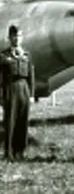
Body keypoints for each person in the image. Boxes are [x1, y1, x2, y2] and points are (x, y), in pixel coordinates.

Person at [0, 25, 35, 161]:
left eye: (19, 36)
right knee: (10, 121)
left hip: (24, 88)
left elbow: (31, 75)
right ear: (9, 38)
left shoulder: (26, 54)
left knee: (23, 121)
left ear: (22, 38)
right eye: (14, 36)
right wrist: (1, 96)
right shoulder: (4, 55)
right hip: (11, 88)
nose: (17, 39)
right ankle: (8, 153)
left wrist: (31, 94)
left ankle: (20, 151)